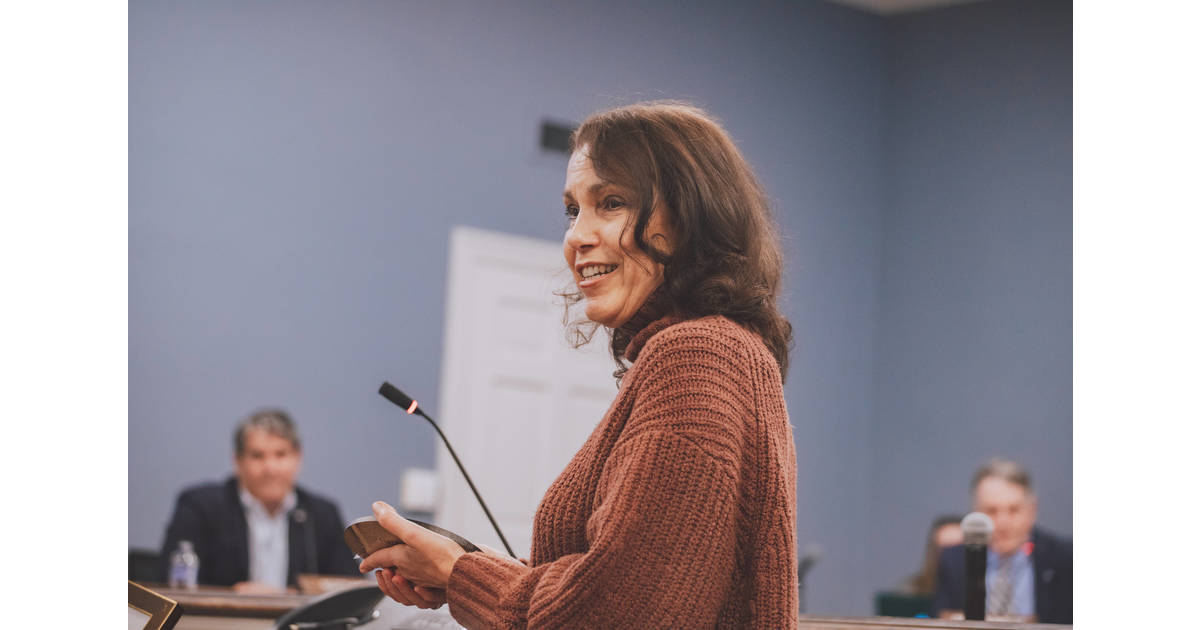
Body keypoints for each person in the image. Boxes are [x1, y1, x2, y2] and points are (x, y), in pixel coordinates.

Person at [358, 102, 800, 628]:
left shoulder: (697, 359)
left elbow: (613, 616)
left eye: (610, 203)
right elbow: (628, 590)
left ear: (689, 218)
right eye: (573, 211)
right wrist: (457, 573)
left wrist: (460, 573)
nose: (576, 237)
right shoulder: (728, 352)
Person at [161, 409, 359, 592]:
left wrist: (295, 597)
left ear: (298, 458)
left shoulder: (322, 515)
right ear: (237, 461)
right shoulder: (200, 507)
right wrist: (233, 595)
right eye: (257, 456)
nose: (270, 468)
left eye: (280, 455)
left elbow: (349, 588)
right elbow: (172, 583)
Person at [932, 458, 1072, 623]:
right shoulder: (954, 560)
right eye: (992, 511)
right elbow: (940, 619)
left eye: (1014, 510)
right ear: (976, 512)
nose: (1003, 523)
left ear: (1032, 510)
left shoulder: (1064, 557)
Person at [901, 514, 963, 596]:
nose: (952, 555)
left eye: (958, 548)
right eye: (945, 549)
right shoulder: (911, 591)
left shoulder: (983, 590)